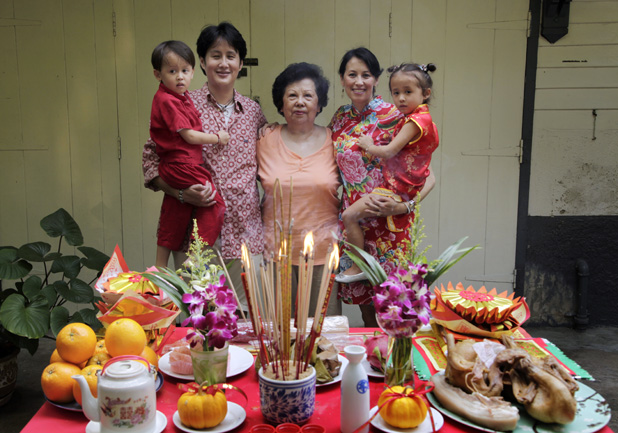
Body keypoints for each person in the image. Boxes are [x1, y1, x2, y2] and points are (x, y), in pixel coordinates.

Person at [143, 22, 267, 310]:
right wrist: (180, 193)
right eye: (215, 55)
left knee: (245, 318)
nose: (223, 63)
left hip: (245, 235)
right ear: (201, 61)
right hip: (195, 237)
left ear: (240, 63)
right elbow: (150, 159)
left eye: (231, 56)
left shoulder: (253, 111)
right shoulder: (181, 103)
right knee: (198, 317)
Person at [329, 47, 435, 326]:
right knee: (366, 310)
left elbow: (429, 175)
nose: (358, 81)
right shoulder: (340, 118)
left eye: (366, 75)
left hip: (390, 225)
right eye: (352, 74)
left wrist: (404, 206)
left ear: (376, 79)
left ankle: (396, 354)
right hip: (354, 225)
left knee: (393, 310)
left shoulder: (398, 115)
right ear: (342, 79)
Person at [257, 63, 341, 316]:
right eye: (292, 95)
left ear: (319, 103)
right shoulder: (264, 140)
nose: (300, 102)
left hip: (324, 253)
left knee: (322, 331)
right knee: (278, 332)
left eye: (308, 95)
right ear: (281, 104)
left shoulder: (337, 141)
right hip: (275, 254)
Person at [149, 40, 228, 268]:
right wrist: (217, 137)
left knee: (174, 211)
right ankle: (196, 256)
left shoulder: (179, 97)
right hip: (182, 164)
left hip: (176, 165)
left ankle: (160, 267)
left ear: (193, 71)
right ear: (158, 74)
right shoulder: (169, 101)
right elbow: (189, 136)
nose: (180, 77)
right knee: (214, 203)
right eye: (172, 71)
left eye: (184, 71)